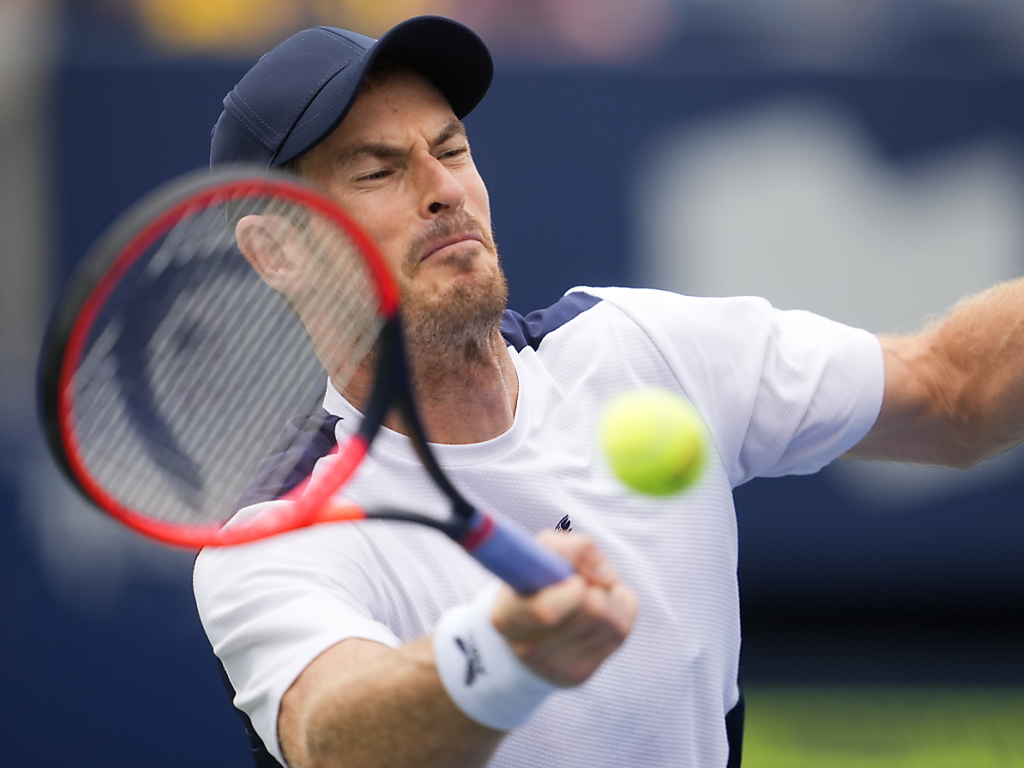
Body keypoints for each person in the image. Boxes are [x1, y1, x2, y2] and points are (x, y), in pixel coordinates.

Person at [193, 15, 1024, 768]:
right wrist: (496, 657)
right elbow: (335, 740)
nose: (444, 190)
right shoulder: (274, 537)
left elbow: (953, 390)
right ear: (278, 252)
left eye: (451, 150)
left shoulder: (645, 348)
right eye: (377, 172)